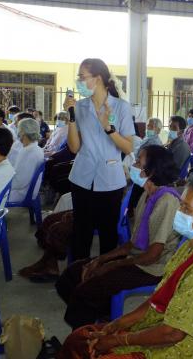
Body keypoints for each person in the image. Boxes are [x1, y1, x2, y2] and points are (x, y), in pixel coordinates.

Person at [57, 178, 193, 359]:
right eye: (180, 205)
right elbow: (159, 299)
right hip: (162, 326)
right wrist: (117, 324)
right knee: (80, 338)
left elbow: (173, 334)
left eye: (186, 208)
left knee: (95, 350)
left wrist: (118, 340)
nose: (178, 212)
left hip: (180, 349)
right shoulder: (191, 246)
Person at [52, 145, 181, 328]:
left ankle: (85, 338)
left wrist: (114, 264)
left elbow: (154, 254)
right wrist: (102, 259)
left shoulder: (166, 201)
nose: (134, 165)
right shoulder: (147, 194)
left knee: (87, 288)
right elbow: (133, 243)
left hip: (153, 268)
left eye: (138, 162)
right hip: (137, 257)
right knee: (72, 273)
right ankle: (100, 316)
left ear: (150, 171)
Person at [65, 58, 134, 260]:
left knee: (108, 234)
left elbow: (128, 147)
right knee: (81, 233)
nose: (79, 82)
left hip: (110, 180)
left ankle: (102, 278)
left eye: (82, 77)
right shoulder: (80, 107)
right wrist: (70, 116)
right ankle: (79, 276)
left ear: (98, 78)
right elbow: (74, 147)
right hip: (81, 178)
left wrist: (109, 129)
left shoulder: (121, 107)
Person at [8, 118, 45, 202]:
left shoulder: (30, 152)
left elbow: (19, 182)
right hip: (23, 189)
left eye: (18, 129)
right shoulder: (32, 148)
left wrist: (3, 183)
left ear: (23, 132)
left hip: (20, 193)